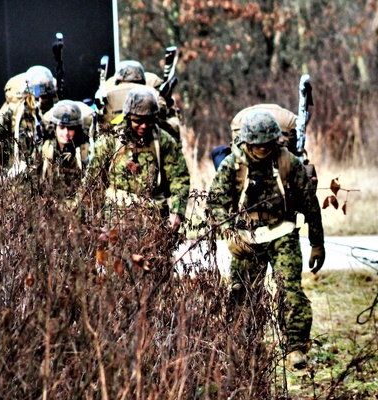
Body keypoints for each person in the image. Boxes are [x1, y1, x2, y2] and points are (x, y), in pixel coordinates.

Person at [207, 108, 325, 370]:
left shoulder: (288, 163)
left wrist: (317, 244)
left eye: (267, 144)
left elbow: (310, 204)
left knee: (290, 292)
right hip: (246, 238)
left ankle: (295, 347)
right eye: (257, 145)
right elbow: (215, 202)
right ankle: (242, 348)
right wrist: (230, 234)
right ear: (246, 142)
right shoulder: (233, 164)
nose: (262, 149)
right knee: (241, 294)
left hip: (282, 232)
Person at [83, 85, 189, 230]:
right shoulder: (110, 141)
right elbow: (92, 182)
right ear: (128, 117)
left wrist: (177, 213)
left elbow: (179, 178)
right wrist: (86, 219)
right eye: (138, 121)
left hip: (154, 216)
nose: (144, 126)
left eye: (149, 120)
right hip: (116, 218)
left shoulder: (163, 141)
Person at [0, 65, 58, 172]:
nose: (40, 100)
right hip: (18, 166)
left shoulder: (54, 111)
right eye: (37, 96)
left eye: (44, 96)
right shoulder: (15, 112)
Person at [38, 99, 92, 198]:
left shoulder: (84, 151)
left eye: (70, 128)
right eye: (62, 127)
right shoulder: (45, 148)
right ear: (54, 128)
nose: (66, 133)